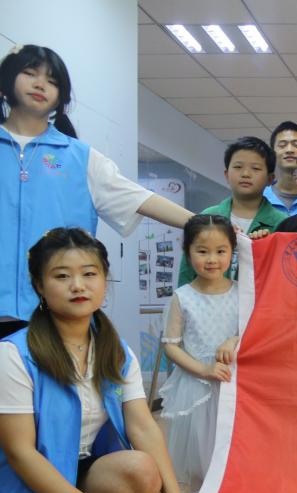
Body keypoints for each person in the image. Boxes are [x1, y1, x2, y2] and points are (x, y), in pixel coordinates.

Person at [0, 228, 188, 493]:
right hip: (21, 487)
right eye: (62, 275)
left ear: (104, 280)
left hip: (80, 472)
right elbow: (20, 454)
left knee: (141, 469)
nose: (78, 285)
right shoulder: (13, 355)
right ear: (39, 286)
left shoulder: (115, 351)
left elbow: (143, 427)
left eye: (89, 273)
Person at [0, 44, 192, 338]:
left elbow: (139, 199)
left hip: (58, 313)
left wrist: (205, 223)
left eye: (52, 81)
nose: (40, 85)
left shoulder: (81, 158)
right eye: (29, 73)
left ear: (61, 97)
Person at [160, 216, 248, 493]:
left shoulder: (243, 293)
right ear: (187, 253)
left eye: (221, 251)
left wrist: (234, 339)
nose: (212, 259)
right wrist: (204, 369)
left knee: (237, 460)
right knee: (202, 463)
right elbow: (171, 345)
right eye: (202, 251)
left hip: (237, 391)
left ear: (233, 253)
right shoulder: (183, 297)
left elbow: (255, 329)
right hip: (197, 390)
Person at [177, 137, 285, 285]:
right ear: (226, 175)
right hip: (211, 298)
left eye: (255, 168)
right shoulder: (208, 216)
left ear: (270, 179)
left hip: (261, 299)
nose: (245, 174)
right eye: (238, 167)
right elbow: (187, 270)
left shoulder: (282, 223)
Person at [263, 121, 297, 216]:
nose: (289, 150)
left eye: (296, 145)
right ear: (273, 152)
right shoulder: (260, 198)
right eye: (282, 145)